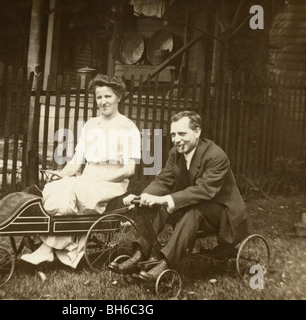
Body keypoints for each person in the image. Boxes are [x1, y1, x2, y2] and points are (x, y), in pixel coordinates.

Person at [108, 110, 252, 281]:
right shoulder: (175, 154)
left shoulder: (216, 156)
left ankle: (164, 263)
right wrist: (143, 198)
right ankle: (139, 255)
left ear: (197, 132)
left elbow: (204, 190)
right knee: (158, 206)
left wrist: (164, 198)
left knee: (192, 212)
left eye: (182, 134)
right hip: (195, 204)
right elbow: (163, 181)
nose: (176, 140)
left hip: (222, 213)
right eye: (173, 134)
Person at [20, 74, 141, 268]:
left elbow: (129, 169)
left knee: (74, 192)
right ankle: (53, 248)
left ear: (118, 96)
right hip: (87, 178)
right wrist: (63, 174)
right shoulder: (90, 125)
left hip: (112, 183)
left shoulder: (128, 128)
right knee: (54, 188)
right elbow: (77, 162)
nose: (103, 101)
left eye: (108, 96)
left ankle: (46, 248)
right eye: (99, 97)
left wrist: (100, 179)